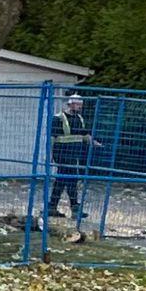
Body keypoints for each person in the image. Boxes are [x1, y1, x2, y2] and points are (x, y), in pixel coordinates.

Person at [49, 91, 96, 232]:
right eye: (77, 104)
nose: (80, 107)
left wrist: (93, 142)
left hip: (74, 153)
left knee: (62, 180)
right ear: (70, 104)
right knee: (71, 179)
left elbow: (83, 134)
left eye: (81, 105)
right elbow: (53, 137)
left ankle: (52, 207)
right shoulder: (59, 118)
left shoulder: (80, 118)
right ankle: (75, 207)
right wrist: (51, 154)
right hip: (62, 153)